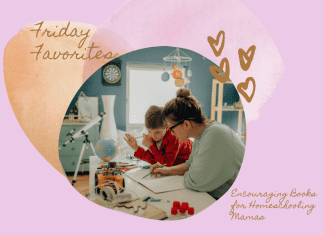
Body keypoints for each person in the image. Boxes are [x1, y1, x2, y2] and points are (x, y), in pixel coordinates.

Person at [150, 88, 245, 200]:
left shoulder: (215, 135)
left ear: (186, 124)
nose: (170, 132)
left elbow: (195, 181)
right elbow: (189, 165)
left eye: (171, 127)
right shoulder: (201, 135)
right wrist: (166, 170)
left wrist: (189, 173)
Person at [124, 105, 192, 167]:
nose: (153, 136)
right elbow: (153, 159)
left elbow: (167, 164)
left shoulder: (173, 137)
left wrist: (151, 146)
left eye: (157, 132)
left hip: (193, 158)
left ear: (167, 127)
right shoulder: (154, 136)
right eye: (149, 131)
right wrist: (135, 147)